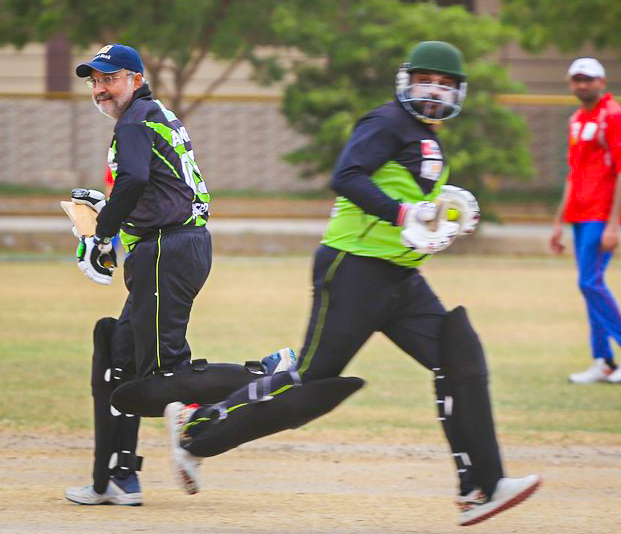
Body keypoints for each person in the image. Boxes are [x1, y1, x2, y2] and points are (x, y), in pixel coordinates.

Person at [164, 41, 541, 527]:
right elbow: (346, 176)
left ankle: (482, 487)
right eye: (426, 79)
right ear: (406, 81)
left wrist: (438, 222)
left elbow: (410, 210)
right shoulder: (386, 121)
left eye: (445, 83)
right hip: (353, 270)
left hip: (401, 278)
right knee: (310, 382)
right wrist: (404, 214)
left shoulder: (429, 138)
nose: (434, 90)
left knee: (458, 352)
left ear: (459, 92)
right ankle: (194, 428)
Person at [65, 44, 295, 506]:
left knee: (159, 380)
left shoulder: (133, 122)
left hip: (166, 250)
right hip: (175, 246)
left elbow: (133, 180)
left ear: (135, 79)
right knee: (118, 351)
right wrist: (111, 213)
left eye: (110, 79)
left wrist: (101, 234)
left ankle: (267, 373)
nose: (100, 89)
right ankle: (116, 478)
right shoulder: (154, 115)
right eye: (95, 81)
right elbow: (157, 187)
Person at [550, 57, 621, 385]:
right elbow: (573, 173)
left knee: (589, 283)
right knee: (590, 284)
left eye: (588, 79)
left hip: (600, 213)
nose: (582, 85)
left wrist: (612, 223)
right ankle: (603, 360)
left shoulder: (613, 114)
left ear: (602, 82)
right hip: (579, 214)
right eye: (577, 79)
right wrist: (558, 222)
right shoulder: (576, 119)